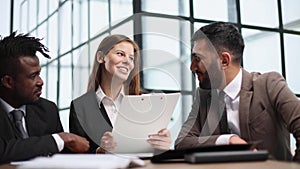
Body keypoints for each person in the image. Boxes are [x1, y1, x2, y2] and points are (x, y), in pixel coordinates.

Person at [175, 22, 300, 161]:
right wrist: (228, 140)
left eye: (198, 59)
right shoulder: (204, 96)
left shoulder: (269, 85)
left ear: (224, 61)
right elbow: (182, 142)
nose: (192, 67)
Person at [69, 34, 171, 153]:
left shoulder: (145, 101)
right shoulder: (80, 106)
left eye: (131, 58)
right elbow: (77, 157)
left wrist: (162, 146)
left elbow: (152, 150)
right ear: (101, 57)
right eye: (120, 54)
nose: (127, 61)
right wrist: (99, 151)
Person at [0, 32, 90, 164]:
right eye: (33, 76)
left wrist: (98, 148)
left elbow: (63, 154)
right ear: (8, 82)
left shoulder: (47, 110)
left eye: (39, 74)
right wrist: (59, 139)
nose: (40, 82)